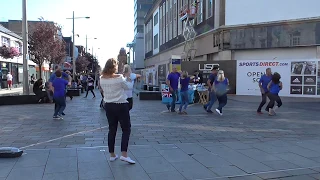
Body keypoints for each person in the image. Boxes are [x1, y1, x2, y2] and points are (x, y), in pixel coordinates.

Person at [100, 58, 135, 164]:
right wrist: (129, 78)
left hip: (108, 106)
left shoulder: (102, 78)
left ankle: (112, 154)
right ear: (114, 67)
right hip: (121, 105)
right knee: (126, 129)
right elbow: (128, 87)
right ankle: (124, 154)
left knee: (112, 129)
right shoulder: (119, 77)